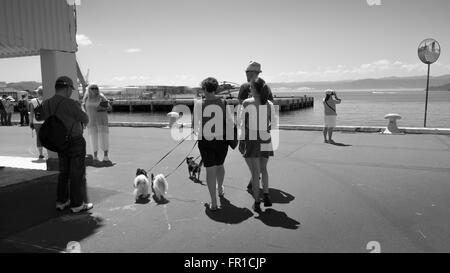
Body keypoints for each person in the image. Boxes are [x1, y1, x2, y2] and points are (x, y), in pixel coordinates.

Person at [39, 76, 93, 213]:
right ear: (67, 88)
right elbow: (85, 119)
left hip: (60, 142)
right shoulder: (70, 103)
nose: (71, 92)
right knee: (77, 173)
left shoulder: (46, 103)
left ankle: (61, 201)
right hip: (75, 141)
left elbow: (42, 118)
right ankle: (77, 205)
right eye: (71, 89)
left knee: (64, 172)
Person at [193, 77, 233, 211]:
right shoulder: (224, 102)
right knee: (220, 165)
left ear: (204, 89)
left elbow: (195, 124)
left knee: (210, 170)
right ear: (216, 89)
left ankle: (214, 202)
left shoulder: (199, 103)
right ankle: (220, 188)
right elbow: (230, 122)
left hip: (205, 140)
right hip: (221, 141)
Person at [238, 77, 275, 213]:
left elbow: (242, 124)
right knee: (264, 169)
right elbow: (273, 123)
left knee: (255, 173)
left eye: (251, 87)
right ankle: (266, 195)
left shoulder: (247, 103)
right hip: (265, 137)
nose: (249, 89)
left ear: (256, 89)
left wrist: (242, 139)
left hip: (252, 139)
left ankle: (257, 201)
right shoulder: (269, 104)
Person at [82, 84, 112, 166]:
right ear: (89, 89)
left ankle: (106, 157)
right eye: (92, 88)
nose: (94, 89)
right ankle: (95, 157)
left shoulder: (101, 96)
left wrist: (103, 107)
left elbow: (109, 108)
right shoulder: (86, 98)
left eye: (96, 88)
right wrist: (85, 120)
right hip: (91, 121)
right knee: (93, 138)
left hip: (102, 120)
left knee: (104, 137)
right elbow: (85, 111)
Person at [29, 87, 45, 159]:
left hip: (36, 122)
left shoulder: (33, 101)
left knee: (39, 137)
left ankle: (41, 154)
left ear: (38, 93)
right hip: (46, 121)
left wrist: (31, 122)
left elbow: (31, 113)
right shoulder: (47, 100)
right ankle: (50, 154)